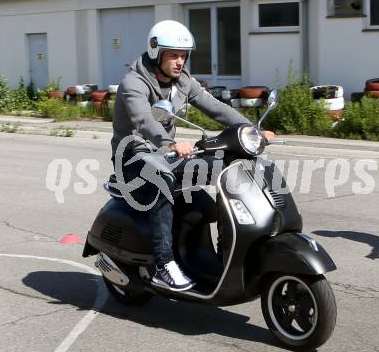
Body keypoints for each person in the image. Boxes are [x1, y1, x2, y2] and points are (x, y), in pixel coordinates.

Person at [111, 20, 274, 291]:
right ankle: (164, 265)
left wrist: (252, 130)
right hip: (132, 156)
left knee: (228, 163)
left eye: (183, 56)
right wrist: (170, 143)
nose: (179, 62)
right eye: (173, 55)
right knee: (162, 178)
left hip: (165, 155)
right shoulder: (134, 82)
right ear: (156, 52)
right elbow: (143, 121)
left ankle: (228, 250)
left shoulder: (183, 81)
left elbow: (215, 107)